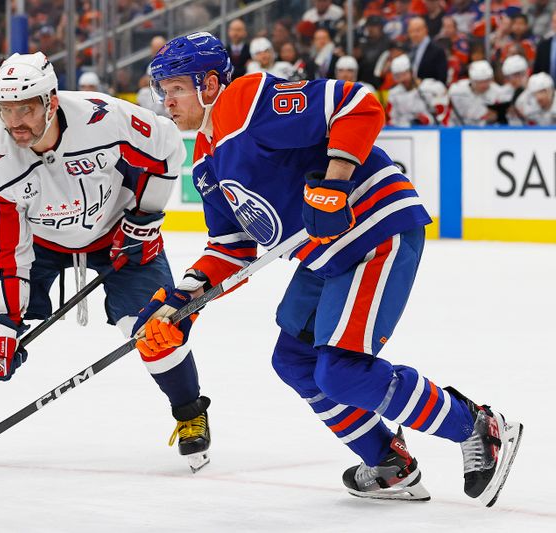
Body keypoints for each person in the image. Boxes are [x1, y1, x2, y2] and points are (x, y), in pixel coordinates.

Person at [141, 32, 522, 503]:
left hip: (372, 229)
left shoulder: (246, 100)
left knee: (342, 372)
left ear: (211, 83)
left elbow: (355, 103)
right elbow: (231, 246)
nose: (166, 101)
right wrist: (178, 305)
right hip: (325, 255)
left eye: (176, 88)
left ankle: (478, 426)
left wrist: (335, 183)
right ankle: (388, 462)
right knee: (295, 361)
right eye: (163, 90)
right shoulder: (205, 161)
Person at [0, 52, 212, 473]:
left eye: (26, 108)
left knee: (155, 330)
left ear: (51, 102)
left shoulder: (104, 118)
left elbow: (166, 147)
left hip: (119, 232)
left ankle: (189, 414)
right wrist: (6, 321)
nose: (15, 121)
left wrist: (145, 217)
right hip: (36, 244)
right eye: (5, 109)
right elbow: (7, 250)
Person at [449, 60, 509, 125]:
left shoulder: (498, 92)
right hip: (458, 129)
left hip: (486, 131)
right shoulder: (456, 91)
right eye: (480, 82)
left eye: (487, 81)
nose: (484, 85)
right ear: (472, 80)